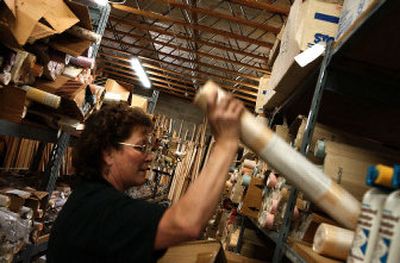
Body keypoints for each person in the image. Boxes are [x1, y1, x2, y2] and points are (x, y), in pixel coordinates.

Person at [47, 90, 244, 263]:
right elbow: (187, 222)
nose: (150, 156)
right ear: (108, 153)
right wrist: (226, 144)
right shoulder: (103, 210)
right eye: (141, 147)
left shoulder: (89, 199)